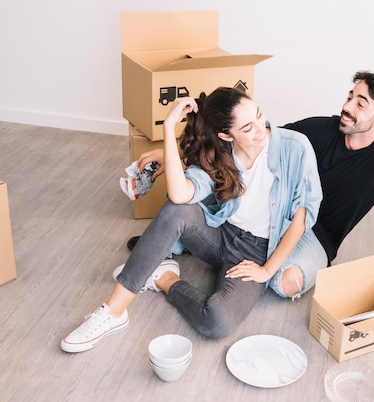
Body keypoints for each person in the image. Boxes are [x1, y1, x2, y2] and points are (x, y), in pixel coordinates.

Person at [60, 87, 322, 352]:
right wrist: (169, 127)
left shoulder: (295, 147)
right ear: (225, 135)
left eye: (259, 117)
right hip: (219, 232)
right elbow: (180, 193)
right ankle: (113, 312)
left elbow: (301, 219)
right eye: (246, 128)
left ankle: (164, 278)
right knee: (177, 209)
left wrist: (266, 270)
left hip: (256, 252)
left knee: (217, 322)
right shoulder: (219, 154)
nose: (259, 130)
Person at [127, 71, 374, 300]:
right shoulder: (321, 128)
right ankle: (177, 238)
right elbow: (252, 140)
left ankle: (205, 248)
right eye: (350, 96)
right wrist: (176, 154)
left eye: (360, 104)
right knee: (216, 191)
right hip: (276, 214)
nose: (347, 106)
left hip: (317, 236)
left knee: (284, 285)